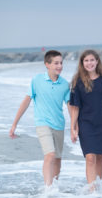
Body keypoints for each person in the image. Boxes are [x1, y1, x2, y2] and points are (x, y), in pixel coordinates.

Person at [9, 50, 71, 187]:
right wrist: (14, 124)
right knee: (50, 154)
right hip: (42, 123)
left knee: (58, 158)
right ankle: (48, 189)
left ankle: (55, 186)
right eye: (56, 63)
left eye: (61, 63)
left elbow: (70, 106)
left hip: (59, 124)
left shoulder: (65, 84)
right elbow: (26, 102)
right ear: (47, 64)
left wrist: (74, 127)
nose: (59, 66)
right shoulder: (37, 80)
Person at [70, 50, 102, 191]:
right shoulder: (78, 82)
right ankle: (91, 189)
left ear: (97, 61)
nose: (89, 63)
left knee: (100, 157)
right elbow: (75, 107)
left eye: (92, 60)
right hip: (85, 124)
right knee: (90, 157)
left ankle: (98, 186)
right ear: (82, 63)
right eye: (86, 60)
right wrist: (73, 128)